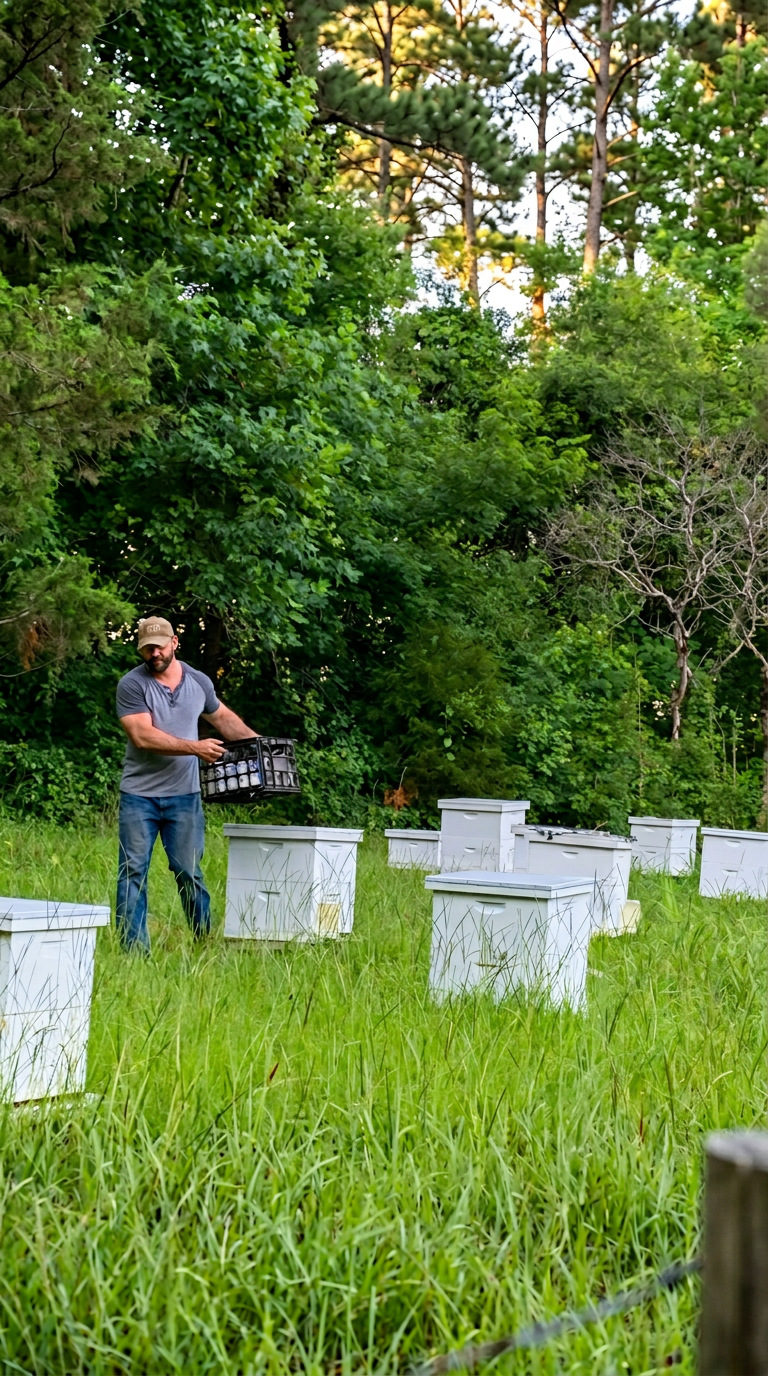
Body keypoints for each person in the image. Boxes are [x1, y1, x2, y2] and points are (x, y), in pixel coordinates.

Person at [115, 615, 257, 952]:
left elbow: (222, 718)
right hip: (140, 796)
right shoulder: (132, 684)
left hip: (184, 797)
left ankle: (204, 942)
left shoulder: (198, 681)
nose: (153, 654)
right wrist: (195, 748)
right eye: (147, 649)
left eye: (159, 646)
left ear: (174, 642)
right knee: (133, 872)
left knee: (189, 871)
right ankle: (134, 952)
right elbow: (142, 736)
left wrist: (260, 747)